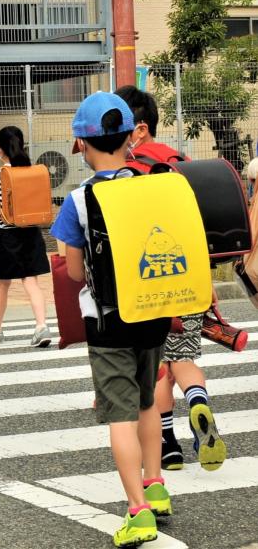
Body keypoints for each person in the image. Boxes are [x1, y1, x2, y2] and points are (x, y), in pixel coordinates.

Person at [51, 92, 172, 547]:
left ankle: (137, 511)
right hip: (153, 316)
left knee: (118, 414)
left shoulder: (79, 201)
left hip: (108, 324)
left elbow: (76, 271)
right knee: (147, 404)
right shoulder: (152, 184)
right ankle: (157, 485)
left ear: (82, 144)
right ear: (130, 137)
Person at [117, 85, 227, 472]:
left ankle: (167, 445)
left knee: (157, 364)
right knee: (184, 356)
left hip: (147, 280)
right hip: (190, 274)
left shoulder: (128, 171)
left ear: (140, 129)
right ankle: (198, 402)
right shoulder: (181, 162)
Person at [0, 126, 51, 347]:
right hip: (31, 233)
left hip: (6, 237)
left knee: (2, 284)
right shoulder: (35, 171)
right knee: (31, 281)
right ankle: (41, 326)